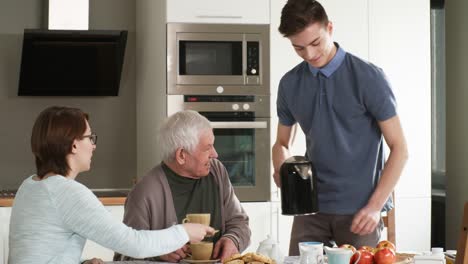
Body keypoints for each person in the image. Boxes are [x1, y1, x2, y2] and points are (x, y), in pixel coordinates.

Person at [272, 0, 408, 255]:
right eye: (298, 48)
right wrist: (281, 167)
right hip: (309, 209)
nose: (310, 55)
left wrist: (374, 207)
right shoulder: (290, 84)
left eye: (315, 43)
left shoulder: (368, 77)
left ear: (330, 28)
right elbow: (281, 143)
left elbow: (400, 148)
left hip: (361, 210)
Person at [8, 106, 214, 264]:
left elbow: (38, 253)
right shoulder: (67, 193)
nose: (94, 145)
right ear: (73, 144)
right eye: (90, 137)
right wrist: (184, 232)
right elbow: (133, 244)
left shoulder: (31, 185)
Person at [114, 110, 250, 262]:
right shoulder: (144, 193)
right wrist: (158, 252)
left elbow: (239, 223)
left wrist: (233, 240)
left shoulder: (217, 171)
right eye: (207, 148)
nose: (215, 154)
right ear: (181, 155)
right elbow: (124, 257)